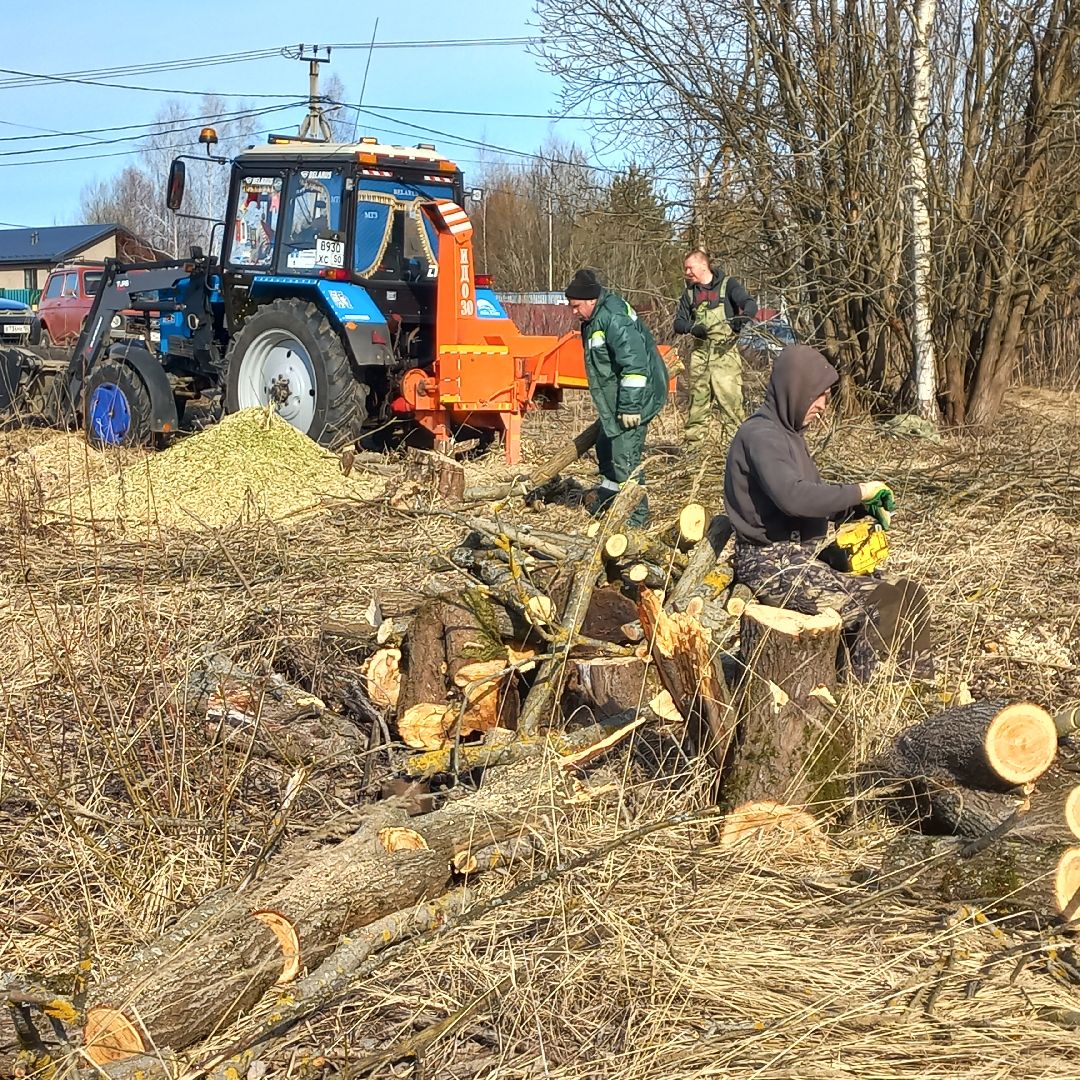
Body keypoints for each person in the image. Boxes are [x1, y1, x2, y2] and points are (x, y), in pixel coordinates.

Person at [723, 344, 933, 681]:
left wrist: (857, 507)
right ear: (795, 389)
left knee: (908, 593)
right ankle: (863, 695)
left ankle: (915, 692)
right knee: (879, 605)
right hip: (771, 564)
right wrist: (860, 489)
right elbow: (793, 497)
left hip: (802, 558)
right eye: (817, 395)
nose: (822, 405)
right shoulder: (761, 436)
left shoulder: (788, 434)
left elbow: (810, 498)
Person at [565, 268, 669, 527]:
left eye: (576, 306)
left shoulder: (613, 318)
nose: (573, 311)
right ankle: (611, 496)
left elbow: (634, 365)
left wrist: (630, 407)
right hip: (618, 400)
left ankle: (636, 521)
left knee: (625, 459)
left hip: (636, 399)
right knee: (604, 445)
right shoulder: (595, 318)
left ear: (591, 300)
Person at [674, 250, 757, 444]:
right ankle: (693, 456)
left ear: (703, 266)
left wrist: (742, 319)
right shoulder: (689, 293)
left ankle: (736, 456)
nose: (687, 272)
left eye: (690, 267)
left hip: (725, 356)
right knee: (697, 410)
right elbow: (678, 323)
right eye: (685, 268)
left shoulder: (728, 286)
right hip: (700, 357)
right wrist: (692, 328)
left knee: (732, 409)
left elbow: (750, 304)